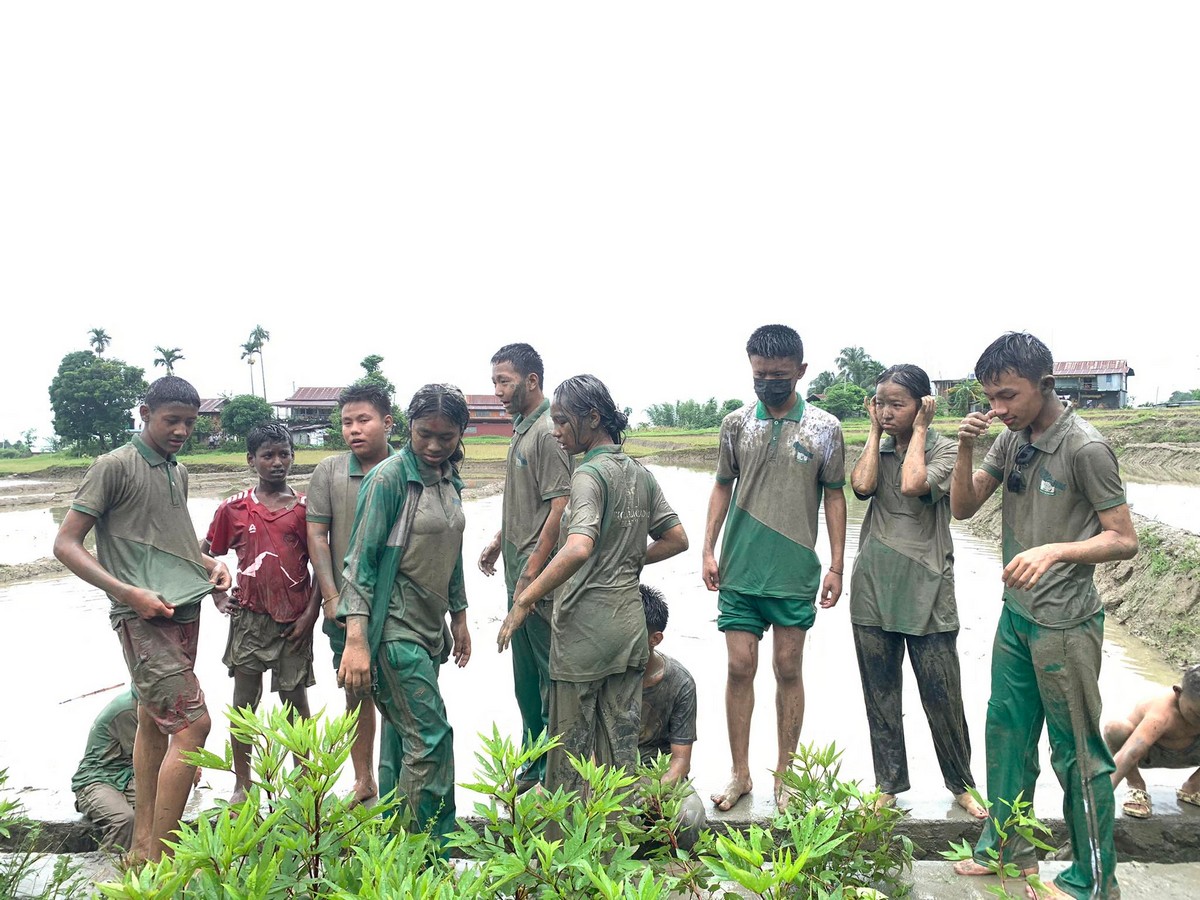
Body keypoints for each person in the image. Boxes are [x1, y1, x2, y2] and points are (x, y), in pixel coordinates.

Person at [949, 332, 1138, 900]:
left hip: (1065, 625)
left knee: (1077, 753)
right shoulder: (1013, 441)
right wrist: (961, 449)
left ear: (1046, 386)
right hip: (1018, 615)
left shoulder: (1085, 448)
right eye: (990, 398)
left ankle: (1092, 881)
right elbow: (961, 507)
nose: (998, 408)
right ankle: (1008, 849)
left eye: (1008, 396)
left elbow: (1124, 540)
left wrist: (1056, 550)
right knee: (1006, 734)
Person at [54, 376, 232, 863]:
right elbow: (65, 544)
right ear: (145, 412)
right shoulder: (114, 466)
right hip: (142, 618)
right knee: (193, 728)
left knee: (154, 725)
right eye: (171, 420)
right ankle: (162, 854)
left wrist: (211, 566)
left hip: (184, 609)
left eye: (189, 424)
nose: (180, 431)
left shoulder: (179, 472)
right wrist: (127, 592)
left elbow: (174, 544)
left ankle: (140, 849)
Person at [497, 375, 688, 797]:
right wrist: (630, 558)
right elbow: (677, 538)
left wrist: (525, 599)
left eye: (564, 421)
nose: (556, 430)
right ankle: (618, 847)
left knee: (567, 754)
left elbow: (579, 547)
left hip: (583, 635)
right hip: (628, 633)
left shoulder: (587, 476)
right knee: (621, 753)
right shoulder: (639, 473)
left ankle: (562, 856)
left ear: (594, 419)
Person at [702, 325, 847, 812]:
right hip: (740, 567)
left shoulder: (825, 428)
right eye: (760, 374)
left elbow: (833, 495)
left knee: (789, 667)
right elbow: (722, 485)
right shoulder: (736, 424)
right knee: (738, 666)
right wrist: (707, 548)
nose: (769, 382)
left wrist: (836, 565)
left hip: (793, 570)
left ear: (801, 371)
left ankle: (786, 776)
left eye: (779, 375)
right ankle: (740, 772)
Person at [336, 384, 473, 844]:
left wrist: (459, 615)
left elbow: (451, 550)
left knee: (406, 740)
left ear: (460, 435)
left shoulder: (449, 478)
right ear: (408, 427)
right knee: (431, 740)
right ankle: (429, 852)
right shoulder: (390, 479)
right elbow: (360, 562)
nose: (434, 446)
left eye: (447, 437)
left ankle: (395, 846)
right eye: (424, 434)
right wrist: (356, 642)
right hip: (393, 630)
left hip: (429, 627)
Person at [848, 365, 985, 819]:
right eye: (880, 403)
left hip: (928, 590)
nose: (886, 412)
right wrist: (873, 431)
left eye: (897, 404)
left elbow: (912, 485)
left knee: (942, 694)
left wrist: (921, 431)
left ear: (924, 404)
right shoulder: (878, 450)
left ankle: (961, 784)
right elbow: (863, 486)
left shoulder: (944, 450)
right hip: (872, 588)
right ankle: (888, 783)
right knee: (880, 694)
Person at [202, 422, 320, 804]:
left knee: (294, 701)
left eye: (283, 453)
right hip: (249, 619)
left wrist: (310, 616)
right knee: (245, 701)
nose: (277, 462)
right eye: (267, 455)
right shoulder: (233, 509)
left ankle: (304, 779)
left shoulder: (305, 510)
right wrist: (217, 595)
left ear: (293, 456)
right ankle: (243, 783)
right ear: (251, 460)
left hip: (293, 621)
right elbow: (201, 553)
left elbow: (324, 566)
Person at [478, 343, 572, 791]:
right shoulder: (521, 428)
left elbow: (560, 507)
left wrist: (533, 571)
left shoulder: (548, 434)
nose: (497, 390)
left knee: (546, 676)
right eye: (494, 380)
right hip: (518, 573)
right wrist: (499, 541)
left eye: (504, 381)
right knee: (525, 678)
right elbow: (525, 502)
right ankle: (533, 756)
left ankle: (548, 765)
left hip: (539, 581)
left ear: (532, 381)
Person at [307, 383, 398, 806]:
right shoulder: (329, 471)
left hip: (399, 606)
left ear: (387, 423)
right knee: (355, 693)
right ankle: (364, 780)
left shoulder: (405, 469)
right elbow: (317, 536)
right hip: (346, 607)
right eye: (347, 422)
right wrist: (330, 597)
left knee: (403, 693)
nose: (354, 430)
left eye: (364, 420)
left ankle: (399, 780)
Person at [638, 583, 706, 851]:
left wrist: (652, 792)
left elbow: (680, 761)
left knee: (688, 818)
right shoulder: (602, 674)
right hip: (609, 773)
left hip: (658, 774)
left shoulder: (680, 682)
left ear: (655, 639)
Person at [1105, 664, 1200, 819]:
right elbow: (1130, 752)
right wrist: (1102, 796)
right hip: (1149, 753)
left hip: (1193, 753)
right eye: (1197, 716)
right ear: (1178, 693)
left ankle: (1194, 787)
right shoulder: (1162, 711)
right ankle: (1136, 785)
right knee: (1115, 729)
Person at [72, 688, 137, 853]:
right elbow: (149, 757)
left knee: (156, 811)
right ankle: (107, 871)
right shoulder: (129, 709)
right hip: (95, 780)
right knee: (124, 820)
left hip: (126, 775)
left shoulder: (153, 705)